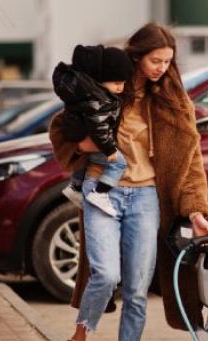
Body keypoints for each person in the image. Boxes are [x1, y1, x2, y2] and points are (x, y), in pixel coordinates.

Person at [46, 23, 208, 341]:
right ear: (136, 57)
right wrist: (83, 144)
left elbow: (191, 163)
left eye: (167, 62)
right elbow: (60, 127)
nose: (161, 68)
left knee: (137, 290)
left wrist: (196, 210)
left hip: (145, 198)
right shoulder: (105, 86)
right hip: (101, 190)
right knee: (104, 275)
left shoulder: (173, 102)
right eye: (155, 60)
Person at [54, 45, 132, 217]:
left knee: (85, 160)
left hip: (80, 135)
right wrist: (110, 149)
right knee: (119, 163)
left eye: (124, 83)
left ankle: (75, 186)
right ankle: (101, 193)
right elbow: (99, 127)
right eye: (117, 83)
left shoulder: (88, 94)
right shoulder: (100, 100)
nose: (121, 88)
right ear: (101, 80)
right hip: (97, 143)